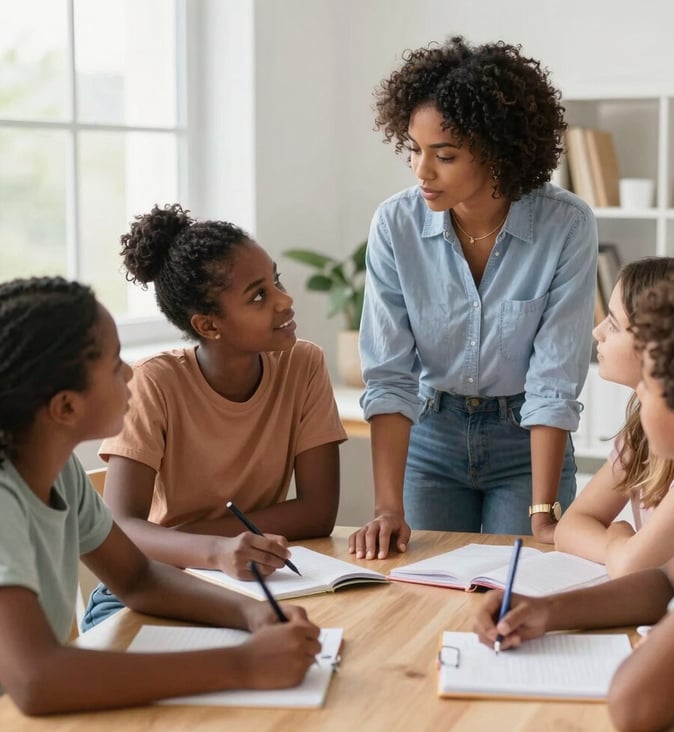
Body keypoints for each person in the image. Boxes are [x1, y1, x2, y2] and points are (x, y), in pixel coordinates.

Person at [0, 277, 322, 715]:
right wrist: (241, 664)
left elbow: (138, 579)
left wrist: (250, 615)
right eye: (115, 364)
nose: (130, 372)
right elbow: (36, 680)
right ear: (66, 408)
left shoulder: (60, 472)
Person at [475, 262, 674, 732]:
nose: (639, 398)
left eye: (648, 383)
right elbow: (666, 584)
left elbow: (634, 705)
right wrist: (547, 611)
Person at [349, 36, 598, 560]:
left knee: (516, 588)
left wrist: (543, 512)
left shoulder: (566, 225)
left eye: (445, 155)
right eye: (413, 150)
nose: (421, 171)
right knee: (420, 598)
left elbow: (554, 380)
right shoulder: (396, 224)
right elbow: (390, 375)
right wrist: (386, 507)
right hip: (430, 436)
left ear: (497, 151)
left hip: (524, 444)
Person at [83, 203, 347, 628]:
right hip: (150, 586)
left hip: (249, 581)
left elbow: (317, 510)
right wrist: (217, 549)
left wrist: (217, 545)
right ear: (208, 326)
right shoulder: (155, 382)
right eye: (259, 295)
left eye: (275, 280)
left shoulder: (303, 364)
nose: (284, 299)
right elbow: (120, 529)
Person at [554, 257, 674, 577]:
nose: (598, 332)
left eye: (613, 324)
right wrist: (621, 548)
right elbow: (569, 527)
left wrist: (619, 536)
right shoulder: (642, 431)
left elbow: (632, 567)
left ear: (657, 346)